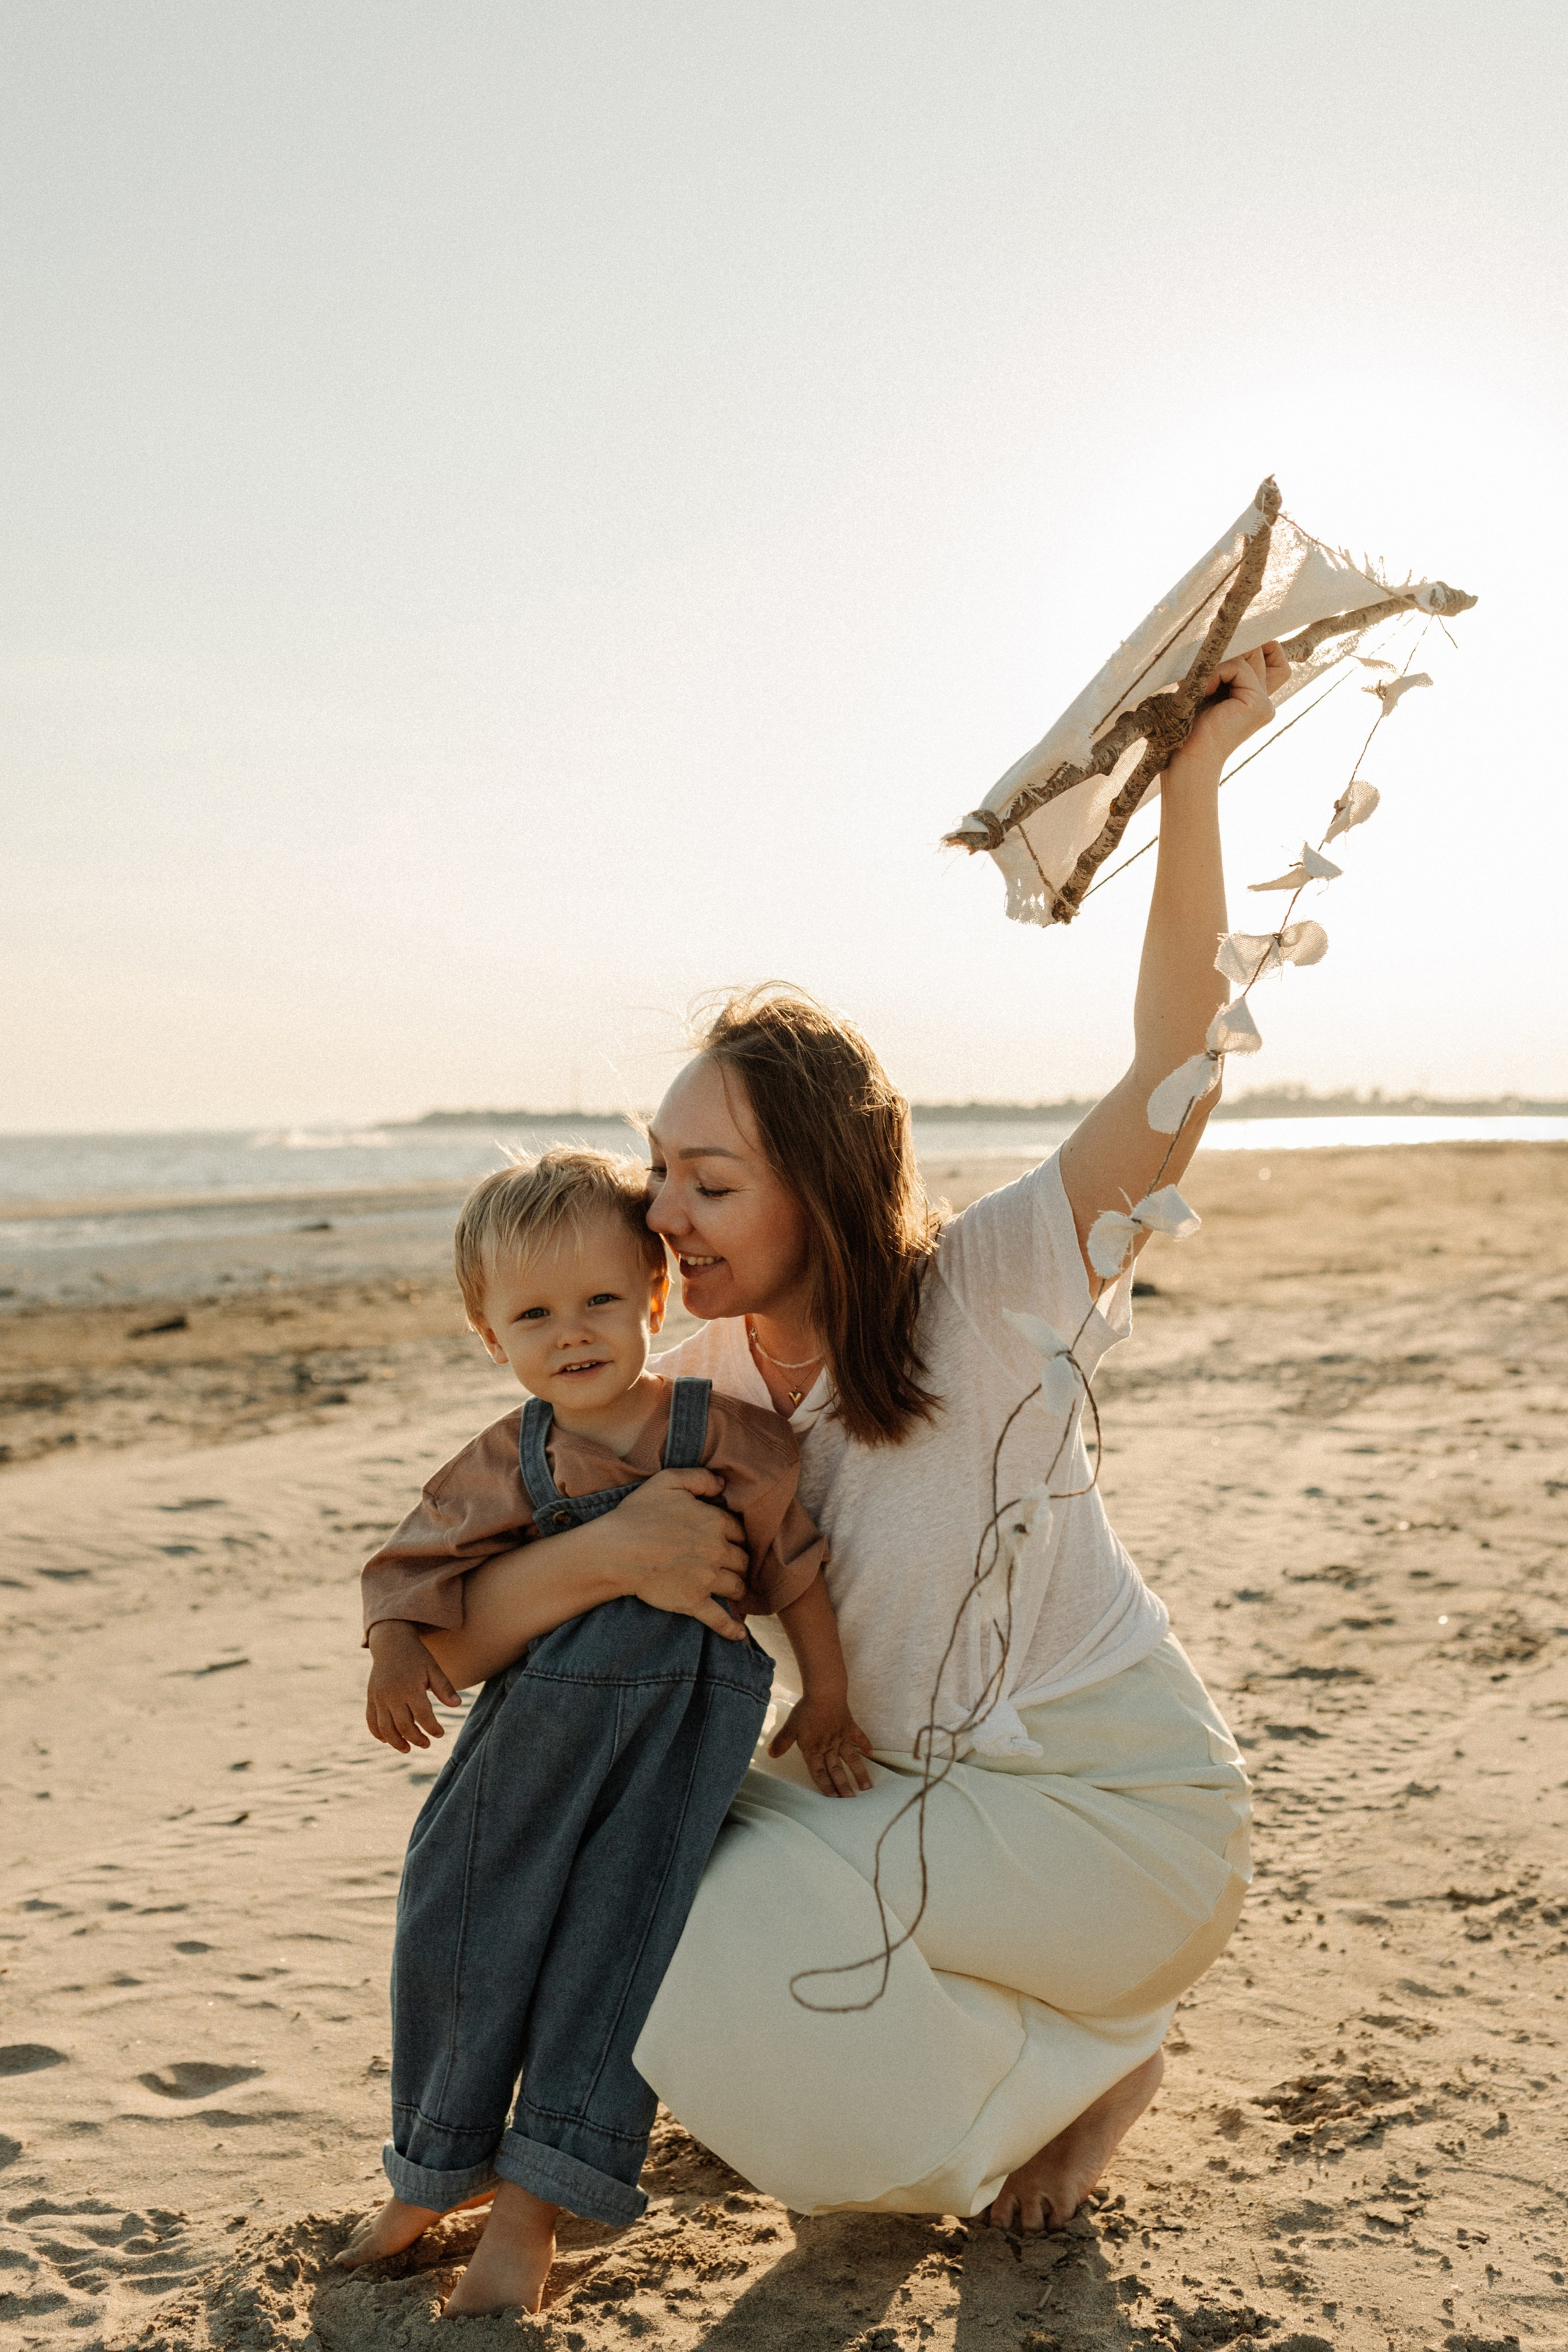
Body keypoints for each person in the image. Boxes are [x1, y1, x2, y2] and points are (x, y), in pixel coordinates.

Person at [353, 640, 1283, 2314]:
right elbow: (485, 1637)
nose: (661, 1219)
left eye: (705, 1179)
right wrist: (616, 1548)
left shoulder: (989, 1290)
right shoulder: (692, 1392)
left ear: (822, 1183)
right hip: (902, 1805)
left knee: (712, 1974)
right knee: (612, 1861)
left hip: (1117, 1818)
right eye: (657, 1175)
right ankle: (1018, 2056)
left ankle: (1091, 2062)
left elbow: (1178, 1060)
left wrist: (1197, 780)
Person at [341, 1148, 868, 2315]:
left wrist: (827, 1698)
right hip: (526, 1749)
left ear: (653, 1300)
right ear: (493, 1338)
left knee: (614, 1961)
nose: (571, 1334)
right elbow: (408, 1566)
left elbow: (799, 1575)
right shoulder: (509, 1458)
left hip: (673, 1760)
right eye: (534, 1315)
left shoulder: (727, 1439)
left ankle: (530, 2216)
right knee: (453, 1911)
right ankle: (431, 2171)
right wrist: (391, 1655)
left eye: (599, 1302)